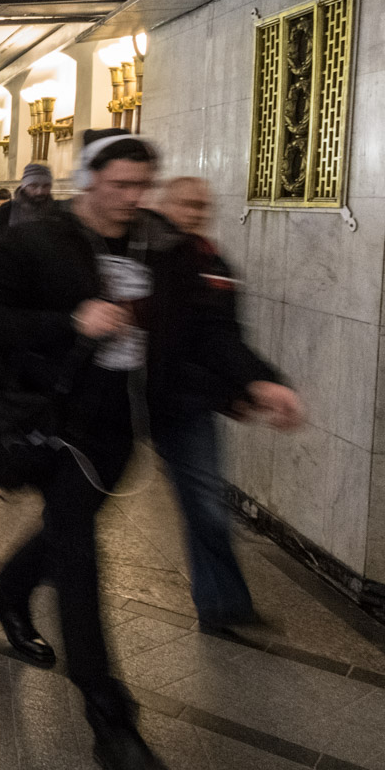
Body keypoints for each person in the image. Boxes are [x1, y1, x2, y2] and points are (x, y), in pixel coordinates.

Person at [0, 131, 302, 770]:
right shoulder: (36, 241)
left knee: (66, 532)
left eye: (140, 186)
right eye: (119, 185)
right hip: (54, 425)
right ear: (89, 180)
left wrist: (259, 379)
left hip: (119, 431)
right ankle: (110, 718)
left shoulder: (163, 248)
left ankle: (7, 592)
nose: (131, 198)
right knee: (79, 558)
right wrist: (72, 322)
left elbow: (209, 330)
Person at [150, 176, 267, 632]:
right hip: (140, 401)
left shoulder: (212, 262)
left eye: (202, 205)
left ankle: (223, 603)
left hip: (186, 406)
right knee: (83, 505)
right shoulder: (154, 257)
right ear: (165, 205)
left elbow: (220, 337)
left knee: (206, 504)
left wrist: (237, 390)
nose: (195, 213)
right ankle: (36, 574)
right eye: (186, 204)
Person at [0, 162, 55, 260]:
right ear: (24, 186)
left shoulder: (58, 215)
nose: (40, 191)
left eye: (45, 186)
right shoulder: (4, 213)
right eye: (34, 185)